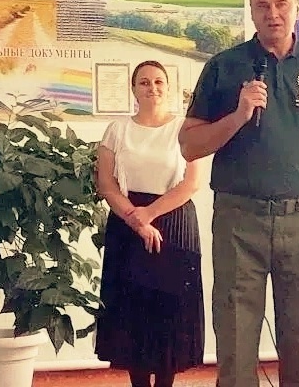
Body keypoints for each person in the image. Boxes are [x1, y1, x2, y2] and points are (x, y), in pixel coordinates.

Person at [179, 0, 299, 387]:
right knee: (235, 335)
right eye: (262, 6)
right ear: (251, 12)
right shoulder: (224, 67)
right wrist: (238, 115)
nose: (273, 14)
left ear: (297, 9)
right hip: (239, 221)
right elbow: (189, 146)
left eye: (282, 5)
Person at [95, 60, 205, 387]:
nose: (152, 88)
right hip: (128, 225)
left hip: (174, 224)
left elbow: (191, 183)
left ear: (168, 88)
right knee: (133, 314)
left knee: (169, 315)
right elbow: (106, 185)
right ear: (133, 89)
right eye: (144, 82)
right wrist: (137, 220)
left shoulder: (185, 130)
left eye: (158, 82)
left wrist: (150, 213)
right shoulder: (117, 130)